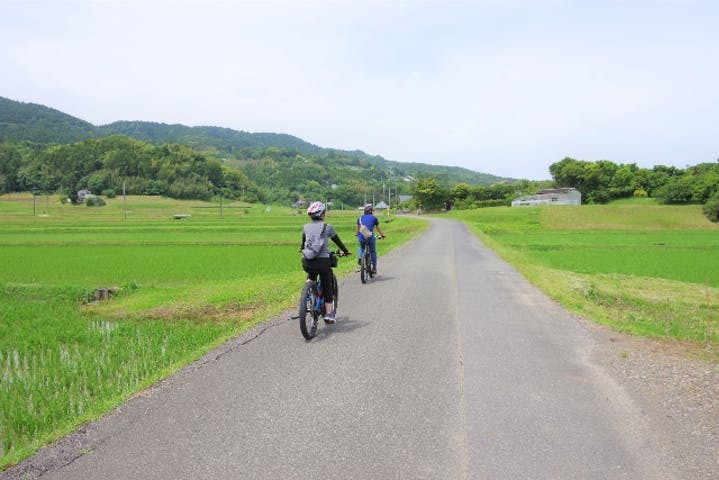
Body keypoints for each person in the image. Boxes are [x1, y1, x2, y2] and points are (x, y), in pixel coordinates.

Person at [300, 201, 351, 324]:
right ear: (322, 214)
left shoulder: (305, 227)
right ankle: (328, 314)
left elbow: (303, 244)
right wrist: (346, 251)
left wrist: (301, 249)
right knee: (327, 286)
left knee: (311, 277)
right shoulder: (327, 227)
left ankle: (305, 300)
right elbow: (337, 241)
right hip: (323, 262)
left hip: (308, 261)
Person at [355, 203, 386, 274]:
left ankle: (360, 257)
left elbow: (357, 229)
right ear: (370, 211)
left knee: (361, 247)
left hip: (361, 237)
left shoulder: (359, 218)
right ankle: (374, 268)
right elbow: (378, 229)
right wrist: (382, 235)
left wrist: (357, 234)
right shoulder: (374, 218)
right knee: (373, 252)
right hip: (370, 237)